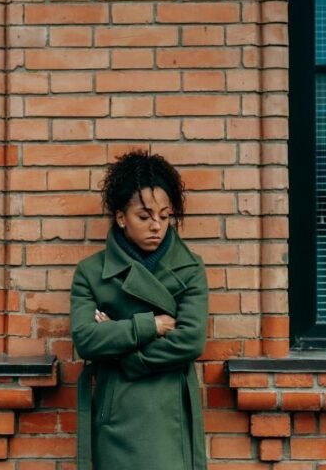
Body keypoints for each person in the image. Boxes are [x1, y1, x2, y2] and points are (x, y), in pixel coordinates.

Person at [70, 150, 208, 470]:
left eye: (164, 215)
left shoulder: (189, 269)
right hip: (116, 415)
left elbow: (191, 340)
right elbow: (85, 339)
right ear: (121, 218)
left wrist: (120, 346)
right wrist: (151, 326)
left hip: (167, 414)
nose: (156, 226)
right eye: (144, 217)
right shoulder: (91, 272)